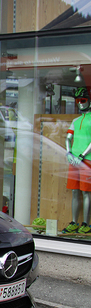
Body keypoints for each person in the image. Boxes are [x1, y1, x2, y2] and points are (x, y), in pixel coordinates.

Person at [63, 87, 91, 235]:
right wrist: (68, 152)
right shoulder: (76, 120)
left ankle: (86, 223)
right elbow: (68, 138)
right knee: (75, 191)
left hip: (87, 161)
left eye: (83, 100)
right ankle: (74, 221)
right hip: (74, 160)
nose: (80, 104)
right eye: (77, 101)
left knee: (86, 192)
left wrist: (82, 155)